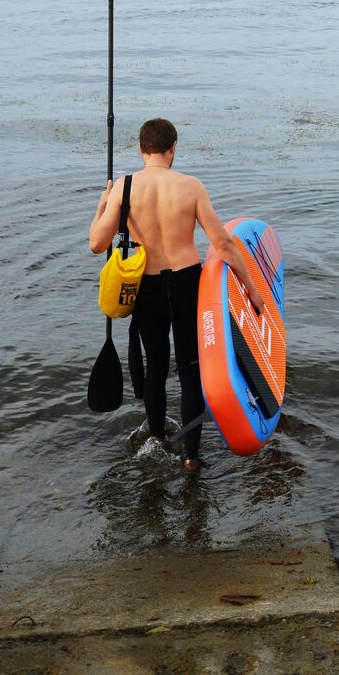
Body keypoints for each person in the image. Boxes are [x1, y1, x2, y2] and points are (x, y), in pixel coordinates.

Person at [89, 119, 266, 472]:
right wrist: (251, 288)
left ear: (141, 150)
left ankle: (156, 443)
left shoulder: (123, 189)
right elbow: (224, 245)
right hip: (187, 284)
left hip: (147, 288)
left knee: (155, 366)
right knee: (190, 370)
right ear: (173, 149)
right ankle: (191, 457)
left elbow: (97, 244)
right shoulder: (191, 186)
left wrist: (103, 204)